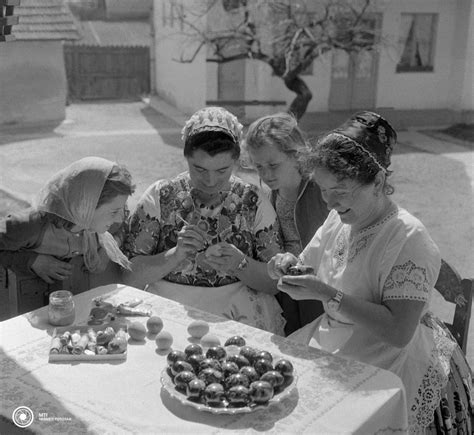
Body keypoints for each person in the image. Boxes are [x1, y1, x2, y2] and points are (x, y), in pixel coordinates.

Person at [268, 111, 472, 433]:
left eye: (342, 190)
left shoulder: (408, 238)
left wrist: (326, 294)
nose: (330, 202)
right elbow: (306, 262)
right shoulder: (340, 218)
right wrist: (285, 265)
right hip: (337, 342)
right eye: (323, 190)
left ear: (378, 181)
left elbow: (398, 332)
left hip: (392, 359)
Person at [122, 106, 285, 335]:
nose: (210, 180)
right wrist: (175, 255)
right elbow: (128, 276)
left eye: (222, 170)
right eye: (199, 169)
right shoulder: (161, 196)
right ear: (186, 157)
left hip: (236, 314)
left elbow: (273, 283)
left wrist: (240, 263)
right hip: (169, 311)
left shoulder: (253, 201)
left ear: (236, 161)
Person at [0, 157, 135, 312]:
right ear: (86, 204)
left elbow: (124, 226)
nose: (119, 217)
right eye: (114, 212)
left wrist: (106, 252)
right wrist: (31, 261)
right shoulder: (30, 225)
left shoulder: (101, 221)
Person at [244, 112, 328, 335]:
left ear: (295, 155)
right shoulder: (270, 193)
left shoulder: (321, 190)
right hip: (288, 289)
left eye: (273, 164)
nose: (266, 174)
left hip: (319, 289)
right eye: (258, 166)